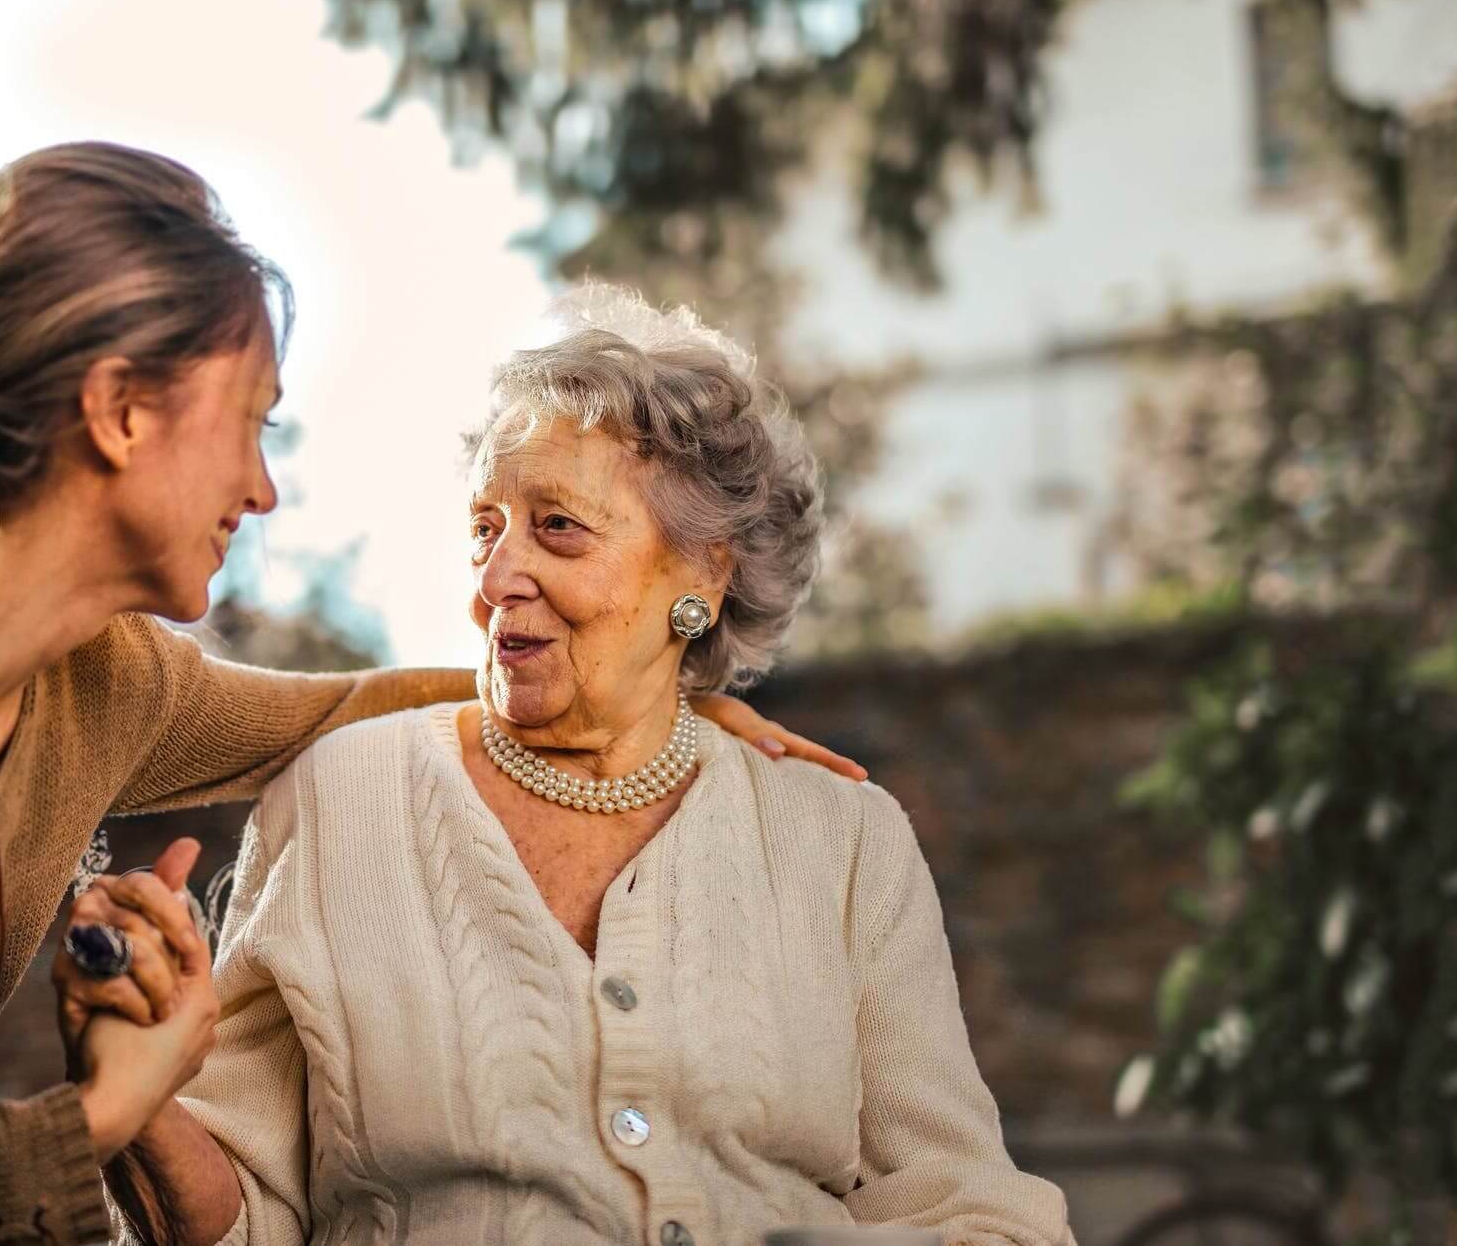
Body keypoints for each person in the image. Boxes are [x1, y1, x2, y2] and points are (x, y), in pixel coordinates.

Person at [0, 145, 857, 1244]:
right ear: (120, 412)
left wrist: (639, 703)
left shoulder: (94, 677)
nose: (261, 489)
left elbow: (333, 709)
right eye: (249, 421)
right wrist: (98, 1115)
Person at [84, 287, 1076, 1246]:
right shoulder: (338, 800)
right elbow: (237, 1217)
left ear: (702, 571)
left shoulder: (842, 838)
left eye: (556, 525)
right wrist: (139, 1097)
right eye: (485, 529)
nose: (494, 577)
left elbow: (956, 1189)